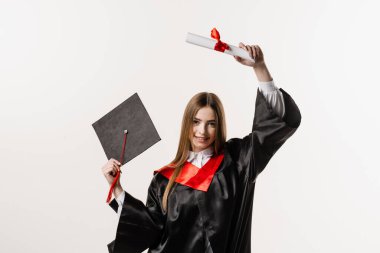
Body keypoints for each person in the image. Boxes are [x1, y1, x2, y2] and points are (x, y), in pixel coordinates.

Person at [102, 43, 301, 253]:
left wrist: (259, 67)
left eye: (211, 124)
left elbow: (274, 124)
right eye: (196, 122)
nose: (202, 131)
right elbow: (148, 231)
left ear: (219, 126)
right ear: (187, 124)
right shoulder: (163, 181)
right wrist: (116, 187)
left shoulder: (239, 161)